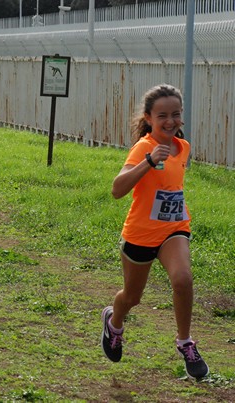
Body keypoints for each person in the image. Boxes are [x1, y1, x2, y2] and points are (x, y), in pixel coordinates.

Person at [101, 84, 209, 380]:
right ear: (149, 118)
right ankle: (115, 322)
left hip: (174, 229)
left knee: (183, 279)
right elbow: (117, 189)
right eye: (163, 115)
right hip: (140, 235)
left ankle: (185, 342)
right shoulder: (144, 148)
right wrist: (149, 162)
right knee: (132, 297)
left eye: (176, 114)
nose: (171, 121)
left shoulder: (183, 147)